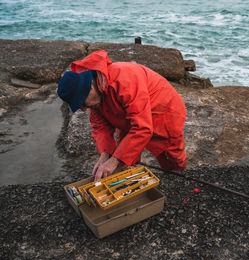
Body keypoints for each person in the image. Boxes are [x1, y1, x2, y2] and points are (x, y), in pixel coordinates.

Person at [57, 50, 187, 180]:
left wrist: (113, 161)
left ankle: (177, 180)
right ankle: (130, 180)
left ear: (90, 88)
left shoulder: (125, 80)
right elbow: (100, 127)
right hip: (128, 116)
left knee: (170, 156)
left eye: (82, 103)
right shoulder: (95, 92)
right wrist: (105, 155)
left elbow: (142, 128)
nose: (84, 109)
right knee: (122, 155)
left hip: (163, 112)